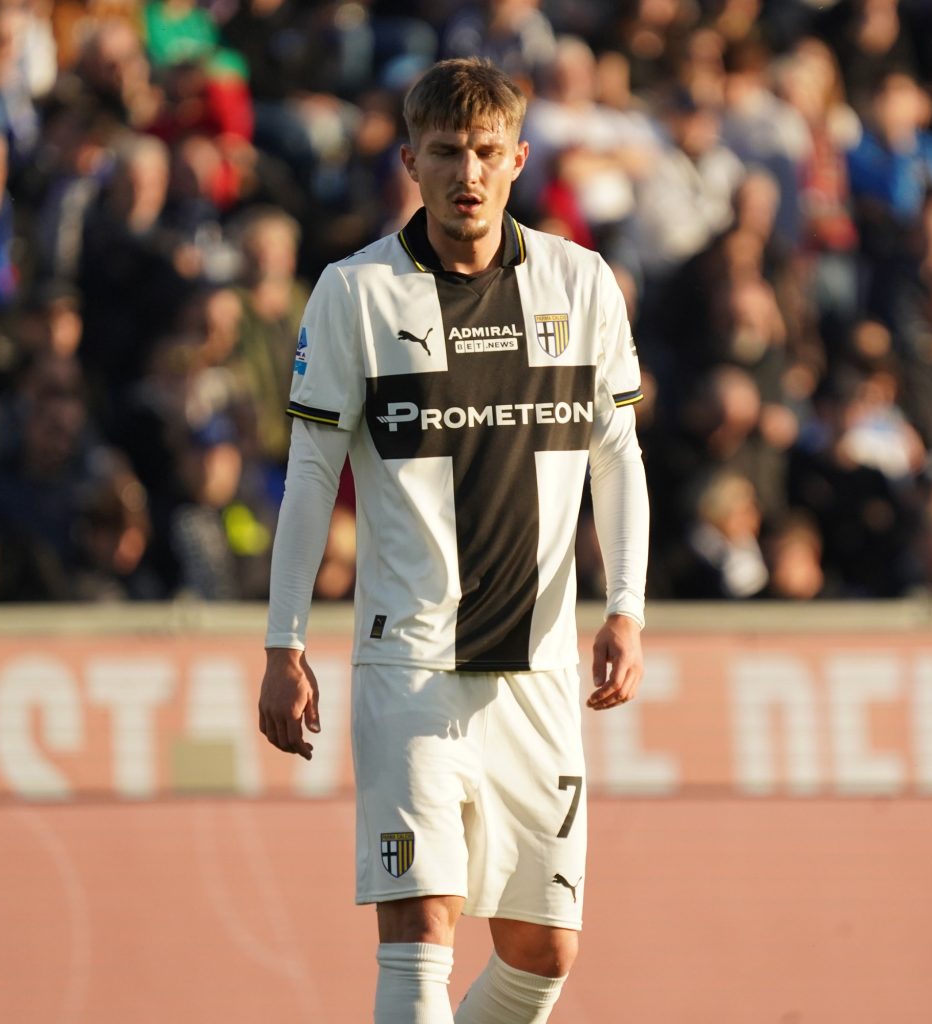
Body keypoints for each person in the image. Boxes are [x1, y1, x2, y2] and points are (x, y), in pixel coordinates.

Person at [258, 57, 649, 1023]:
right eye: (444, 152)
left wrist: (626, 608)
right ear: (410, 162)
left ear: (518, 159)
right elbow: (310, 475)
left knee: (543, 953)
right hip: (410, 663)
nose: (465, 174)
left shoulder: (581, 282)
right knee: (420, 925)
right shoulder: (355, 293)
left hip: (537, 671)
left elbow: (617, 456)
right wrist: (283, 642)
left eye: (484, 151)